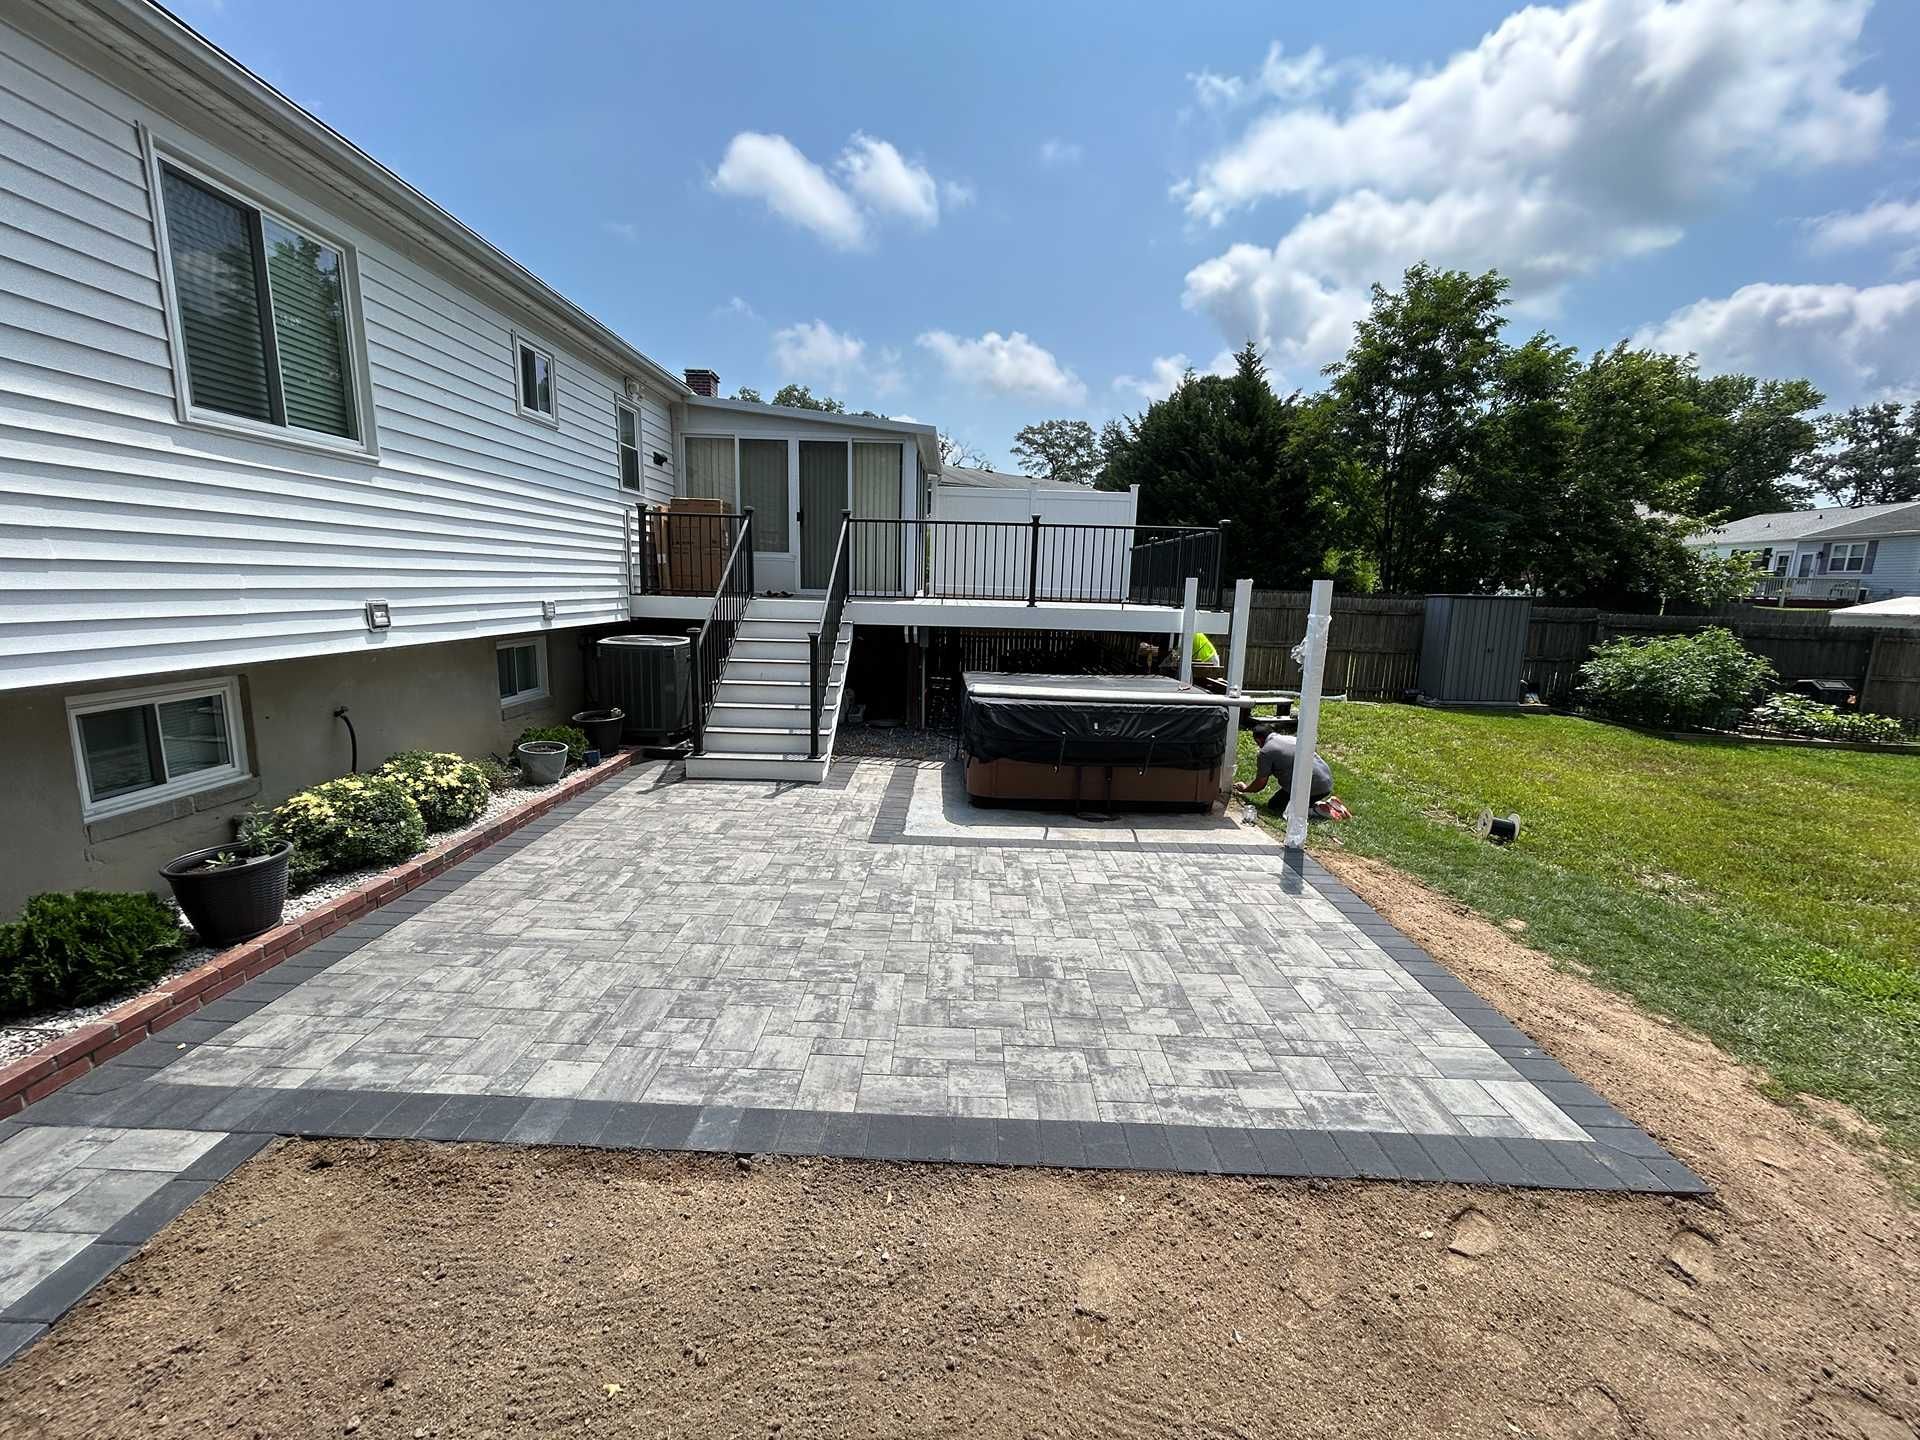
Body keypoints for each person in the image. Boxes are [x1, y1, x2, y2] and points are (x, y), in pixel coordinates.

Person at [1234, 718, 1332, 806]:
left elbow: (1260, 784)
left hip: (1313, 787)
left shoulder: (1266, 752)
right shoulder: (1292, 739)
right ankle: (1317, 804)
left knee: (1275, 805)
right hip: (1326, 781)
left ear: (1259, 741)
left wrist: (1245, 789)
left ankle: (1315, 810)